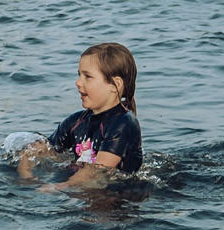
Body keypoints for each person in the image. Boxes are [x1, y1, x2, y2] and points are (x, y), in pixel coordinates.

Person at [18, 42, 143, 186]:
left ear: (115, 85)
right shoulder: (76, 121)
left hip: (118, 196)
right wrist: (26, 174)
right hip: (82, 188)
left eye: (87, 77)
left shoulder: (123, 123)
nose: (78, 82)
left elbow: (98, 171)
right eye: (79, 75)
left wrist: (60, 188)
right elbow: (43, 150)